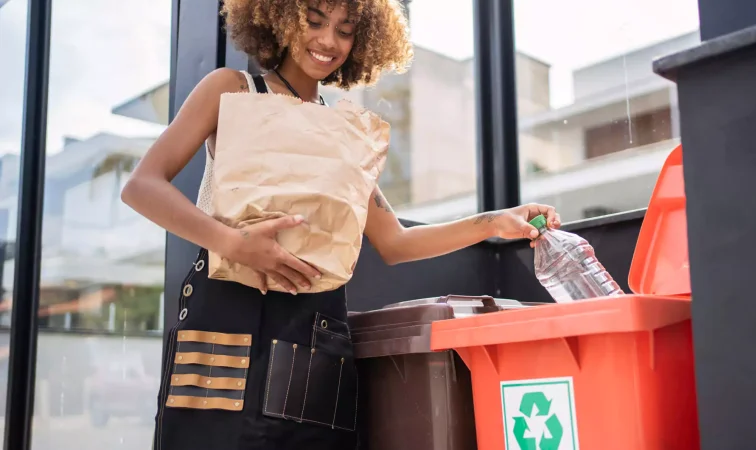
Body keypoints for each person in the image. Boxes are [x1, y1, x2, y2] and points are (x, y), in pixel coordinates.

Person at [122, 0, 562, 449]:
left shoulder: (345, 131)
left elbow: (395, 241)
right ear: (280, 18)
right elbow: (142, 186)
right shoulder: (232, 89)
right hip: (227, 320)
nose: (329, 41)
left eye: (345, 30)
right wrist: (234, 244)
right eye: (314, 22)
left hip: (312, 332)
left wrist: (494, 221)